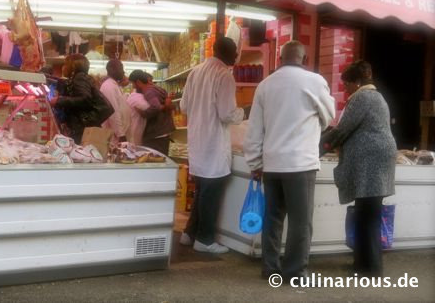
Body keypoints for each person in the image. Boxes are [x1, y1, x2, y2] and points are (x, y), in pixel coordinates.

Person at [243, 40, 335, 279]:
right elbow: (329, 116)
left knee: (272, 218)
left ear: (280, 59)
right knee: (300, 222)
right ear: (304, 60)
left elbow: (254, 130)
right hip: (301, 164)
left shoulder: (265, 85)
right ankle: (295, 272)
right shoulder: (315, 82)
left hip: (272, 164)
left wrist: (255, 163)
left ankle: (270, 267)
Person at [322, 61, 396, 277]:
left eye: (347, 84)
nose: (345, 89)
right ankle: (363, 264)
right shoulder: (376, 96)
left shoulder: (362, 97)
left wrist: (320, 146)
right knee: (367, 214)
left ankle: (370, 269)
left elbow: (343, 129)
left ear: (357, 82)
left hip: (370, 163)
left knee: (368, 216)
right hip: (376, 162)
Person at [178, 37, 245, 254]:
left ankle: (189, 233)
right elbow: (227, 114)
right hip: (214, 142)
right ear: (225, 52)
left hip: (197, 140)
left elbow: (184, 106)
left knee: (201, 189)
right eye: (234, 51)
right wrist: (244, 112)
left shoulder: (195, 72)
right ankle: (205, 240)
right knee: (211, 192)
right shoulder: (224, 75)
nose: (236, 56)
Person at [50, 54, 107, 143]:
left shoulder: (79, 78)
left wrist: (59, 100)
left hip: (82, 129)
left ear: (72, 66)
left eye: (65, 64)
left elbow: (85, 98)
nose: (63, 67)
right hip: (84, 128)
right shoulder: (82, 78)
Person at [128, 70, 174, 155]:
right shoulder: (157, 88)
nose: (133, 87)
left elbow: (156, 107)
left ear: (138, 82)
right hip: (163, 131)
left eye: (133, 84)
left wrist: (143, 113)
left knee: (155, 163)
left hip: (157, 134)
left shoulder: (148, 91)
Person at [100, 59, 131, 143]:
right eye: (121, 68)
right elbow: (113, 113)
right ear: (113, 69)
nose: (123, 72)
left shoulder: (114, 85)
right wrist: (121, 134)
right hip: (113, 136)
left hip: (115, 134)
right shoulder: (109, 86)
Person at [126, 71, 152, 146]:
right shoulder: (136, 97)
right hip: (137, 137)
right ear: (138, 82)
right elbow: (151, 109)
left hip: (141, 135)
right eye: (149, 81)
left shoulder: (135, 96)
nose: (151, 84)